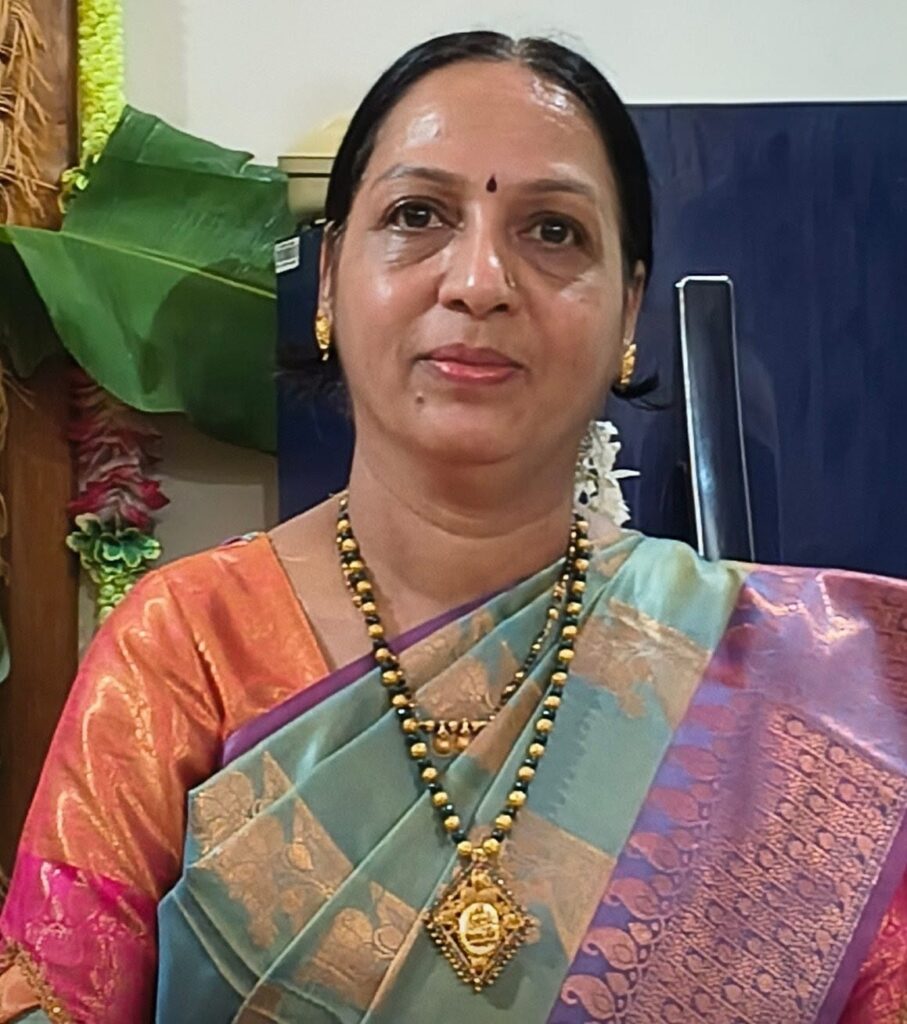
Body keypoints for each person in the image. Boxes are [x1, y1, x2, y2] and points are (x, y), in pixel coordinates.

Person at [1, 30, 905, 1024]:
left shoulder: (798, 685)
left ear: (628, 310)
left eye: (553, 230)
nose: (478, 281)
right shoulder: (188, 647)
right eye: (417, 215)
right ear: (330, 279)